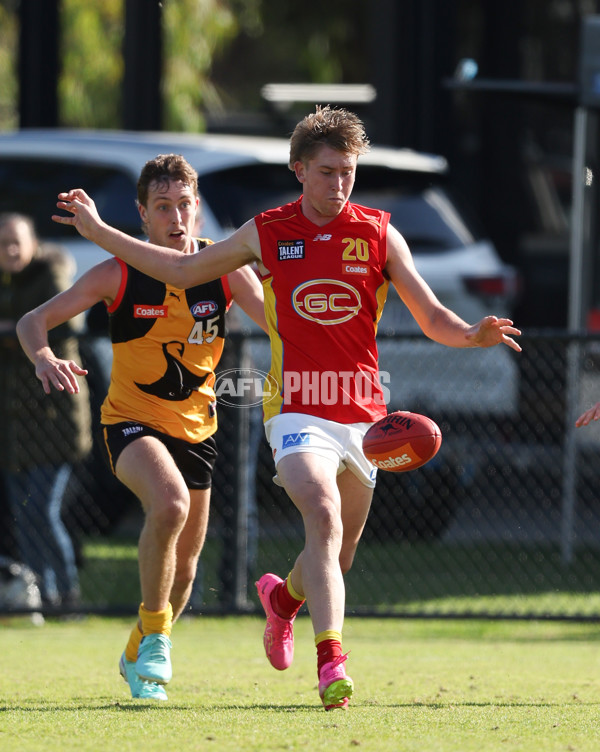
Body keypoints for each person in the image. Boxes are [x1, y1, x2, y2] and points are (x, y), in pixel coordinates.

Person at [50, 106, 522, 711]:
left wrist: (471, 333)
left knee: (337, 553)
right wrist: (99, 233)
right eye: (327, 171)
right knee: (320, 513)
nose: (339, 183)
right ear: (300, 170)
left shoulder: (379, 231)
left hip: (361, 413)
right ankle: (332, 663)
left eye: (348, 171)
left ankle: (284, 601)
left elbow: (433, 318)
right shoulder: (267, 230)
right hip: (296, 409)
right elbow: (183, 267)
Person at [18, 154, 267, 700]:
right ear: (143, 215)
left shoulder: (224, 272)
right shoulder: (117, 273)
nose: (176, 218)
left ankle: (140, 645)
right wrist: (42, 356)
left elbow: (280, 322)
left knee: (185, 575)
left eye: (184, 206)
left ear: (198, 211)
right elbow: (32, 320)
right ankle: (155, 640)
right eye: (163, 207)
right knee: (170, 505)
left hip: (199, 432)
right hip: (130, 424)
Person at [0, 212, 91, 609]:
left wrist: (11, 331)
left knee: (41, 510)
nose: (12, 250)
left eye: (17, 241)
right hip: (14, 424)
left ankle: (67, 595)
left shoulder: (51, 277)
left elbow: (64, 327)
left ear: (34, 242)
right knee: (24, 516)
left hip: (55, 419)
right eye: (3, 244)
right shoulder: (8, 284)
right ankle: (40, 596)